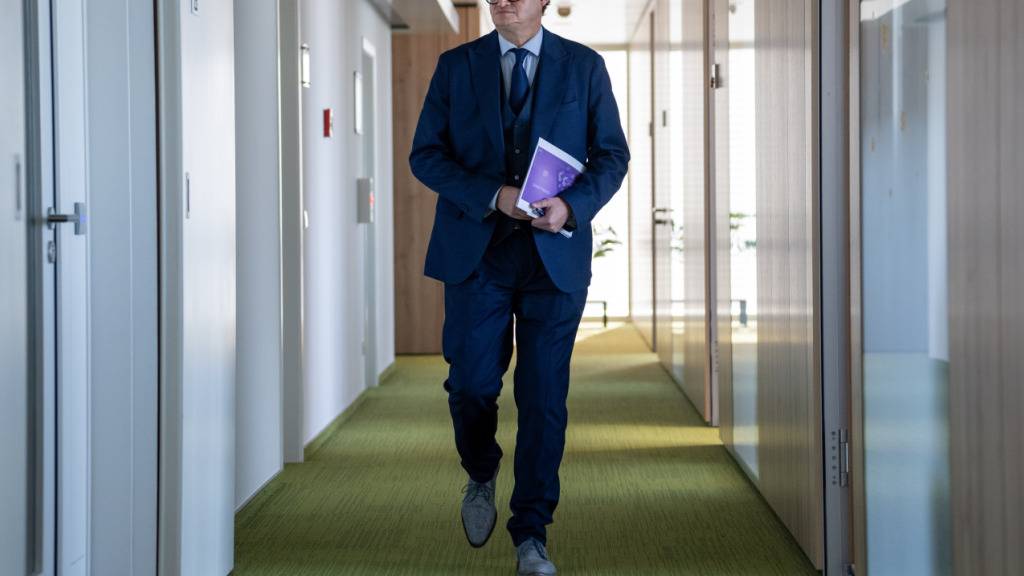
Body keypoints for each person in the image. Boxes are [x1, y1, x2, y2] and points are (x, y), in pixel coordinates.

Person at [409, 0, 629, 573]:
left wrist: (572, 206)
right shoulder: (456, 67)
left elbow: (612, 155)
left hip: (552, 257)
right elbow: (424, 155)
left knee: (542, 400)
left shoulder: (583, 66)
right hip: (476, 255)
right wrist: (493, 194)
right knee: (473, 386)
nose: (503, 0)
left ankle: (531, 534)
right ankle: (481, 470)